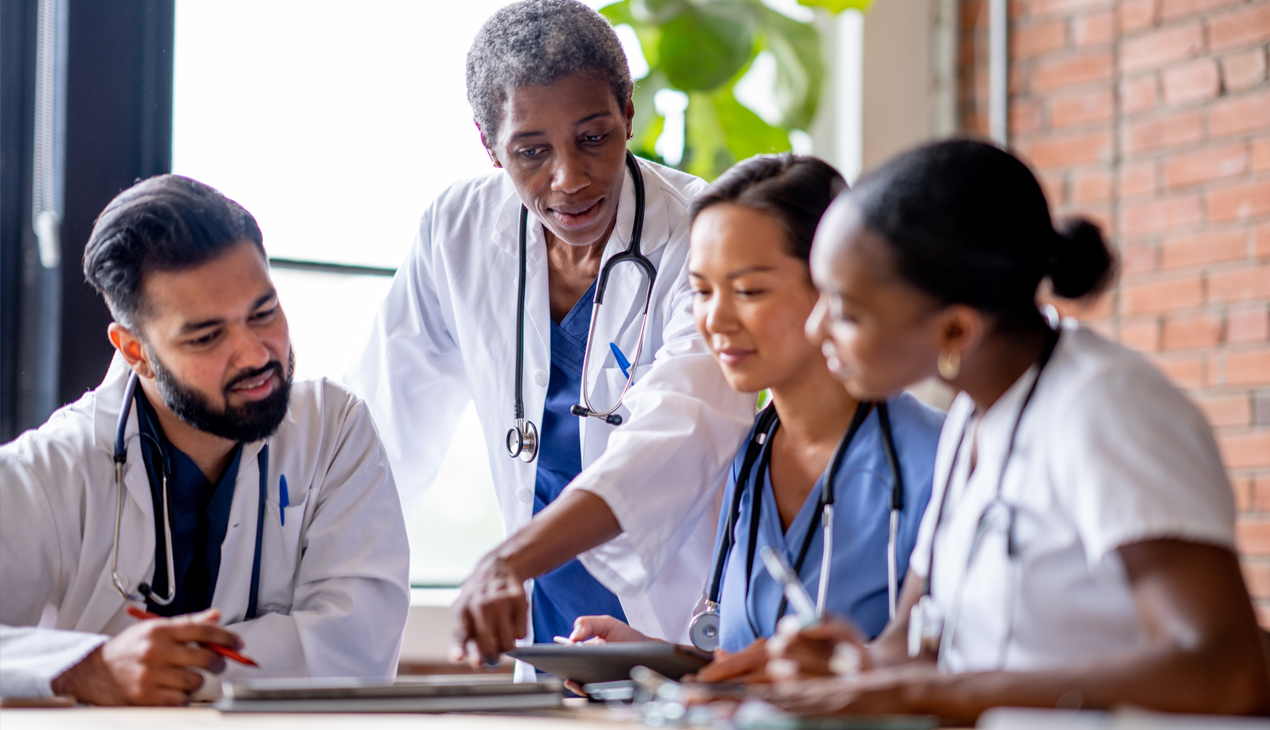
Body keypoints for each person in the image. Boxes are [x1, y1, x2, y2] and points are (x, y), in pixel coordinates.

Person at [761, 139, 1270, 721]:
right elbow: (919, 649)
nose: (815, 327)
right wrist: (854, 666)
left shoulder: (1106, 407)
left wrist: (937, 694)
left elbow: (1226, 671)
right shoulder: (971, 418)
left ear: (956, 332)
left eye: (847, 311)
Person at [344, 0, 752, 669]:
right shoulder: (460, 229)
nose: (569, 177)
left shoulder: (701, 231)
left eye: (593, 137)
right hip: (548, 630)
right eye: (531, 152)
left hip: (678, 624)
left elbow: (681, 433)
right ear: (487, 145)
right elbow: (387, 429)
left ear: (627, 112)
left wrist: (508, 559)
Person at [0, 175, 410, 705]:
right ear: (135, 350)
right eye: (207, 336)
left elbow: (358, 649)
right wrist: (87, 667)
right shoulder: (50, 468)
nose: (255, 355)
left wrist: (173, 671)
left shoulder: (333, 430)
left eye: (263, 313)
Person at [565, 155, 943, 683]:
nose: (715, 320)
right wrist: (653, 657)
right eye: (701, 290)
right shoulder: (751, 452)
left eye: (749, 291)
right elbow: (760, 664)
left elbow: (960, 672)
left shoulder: (935, 462)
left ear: (833, 286)